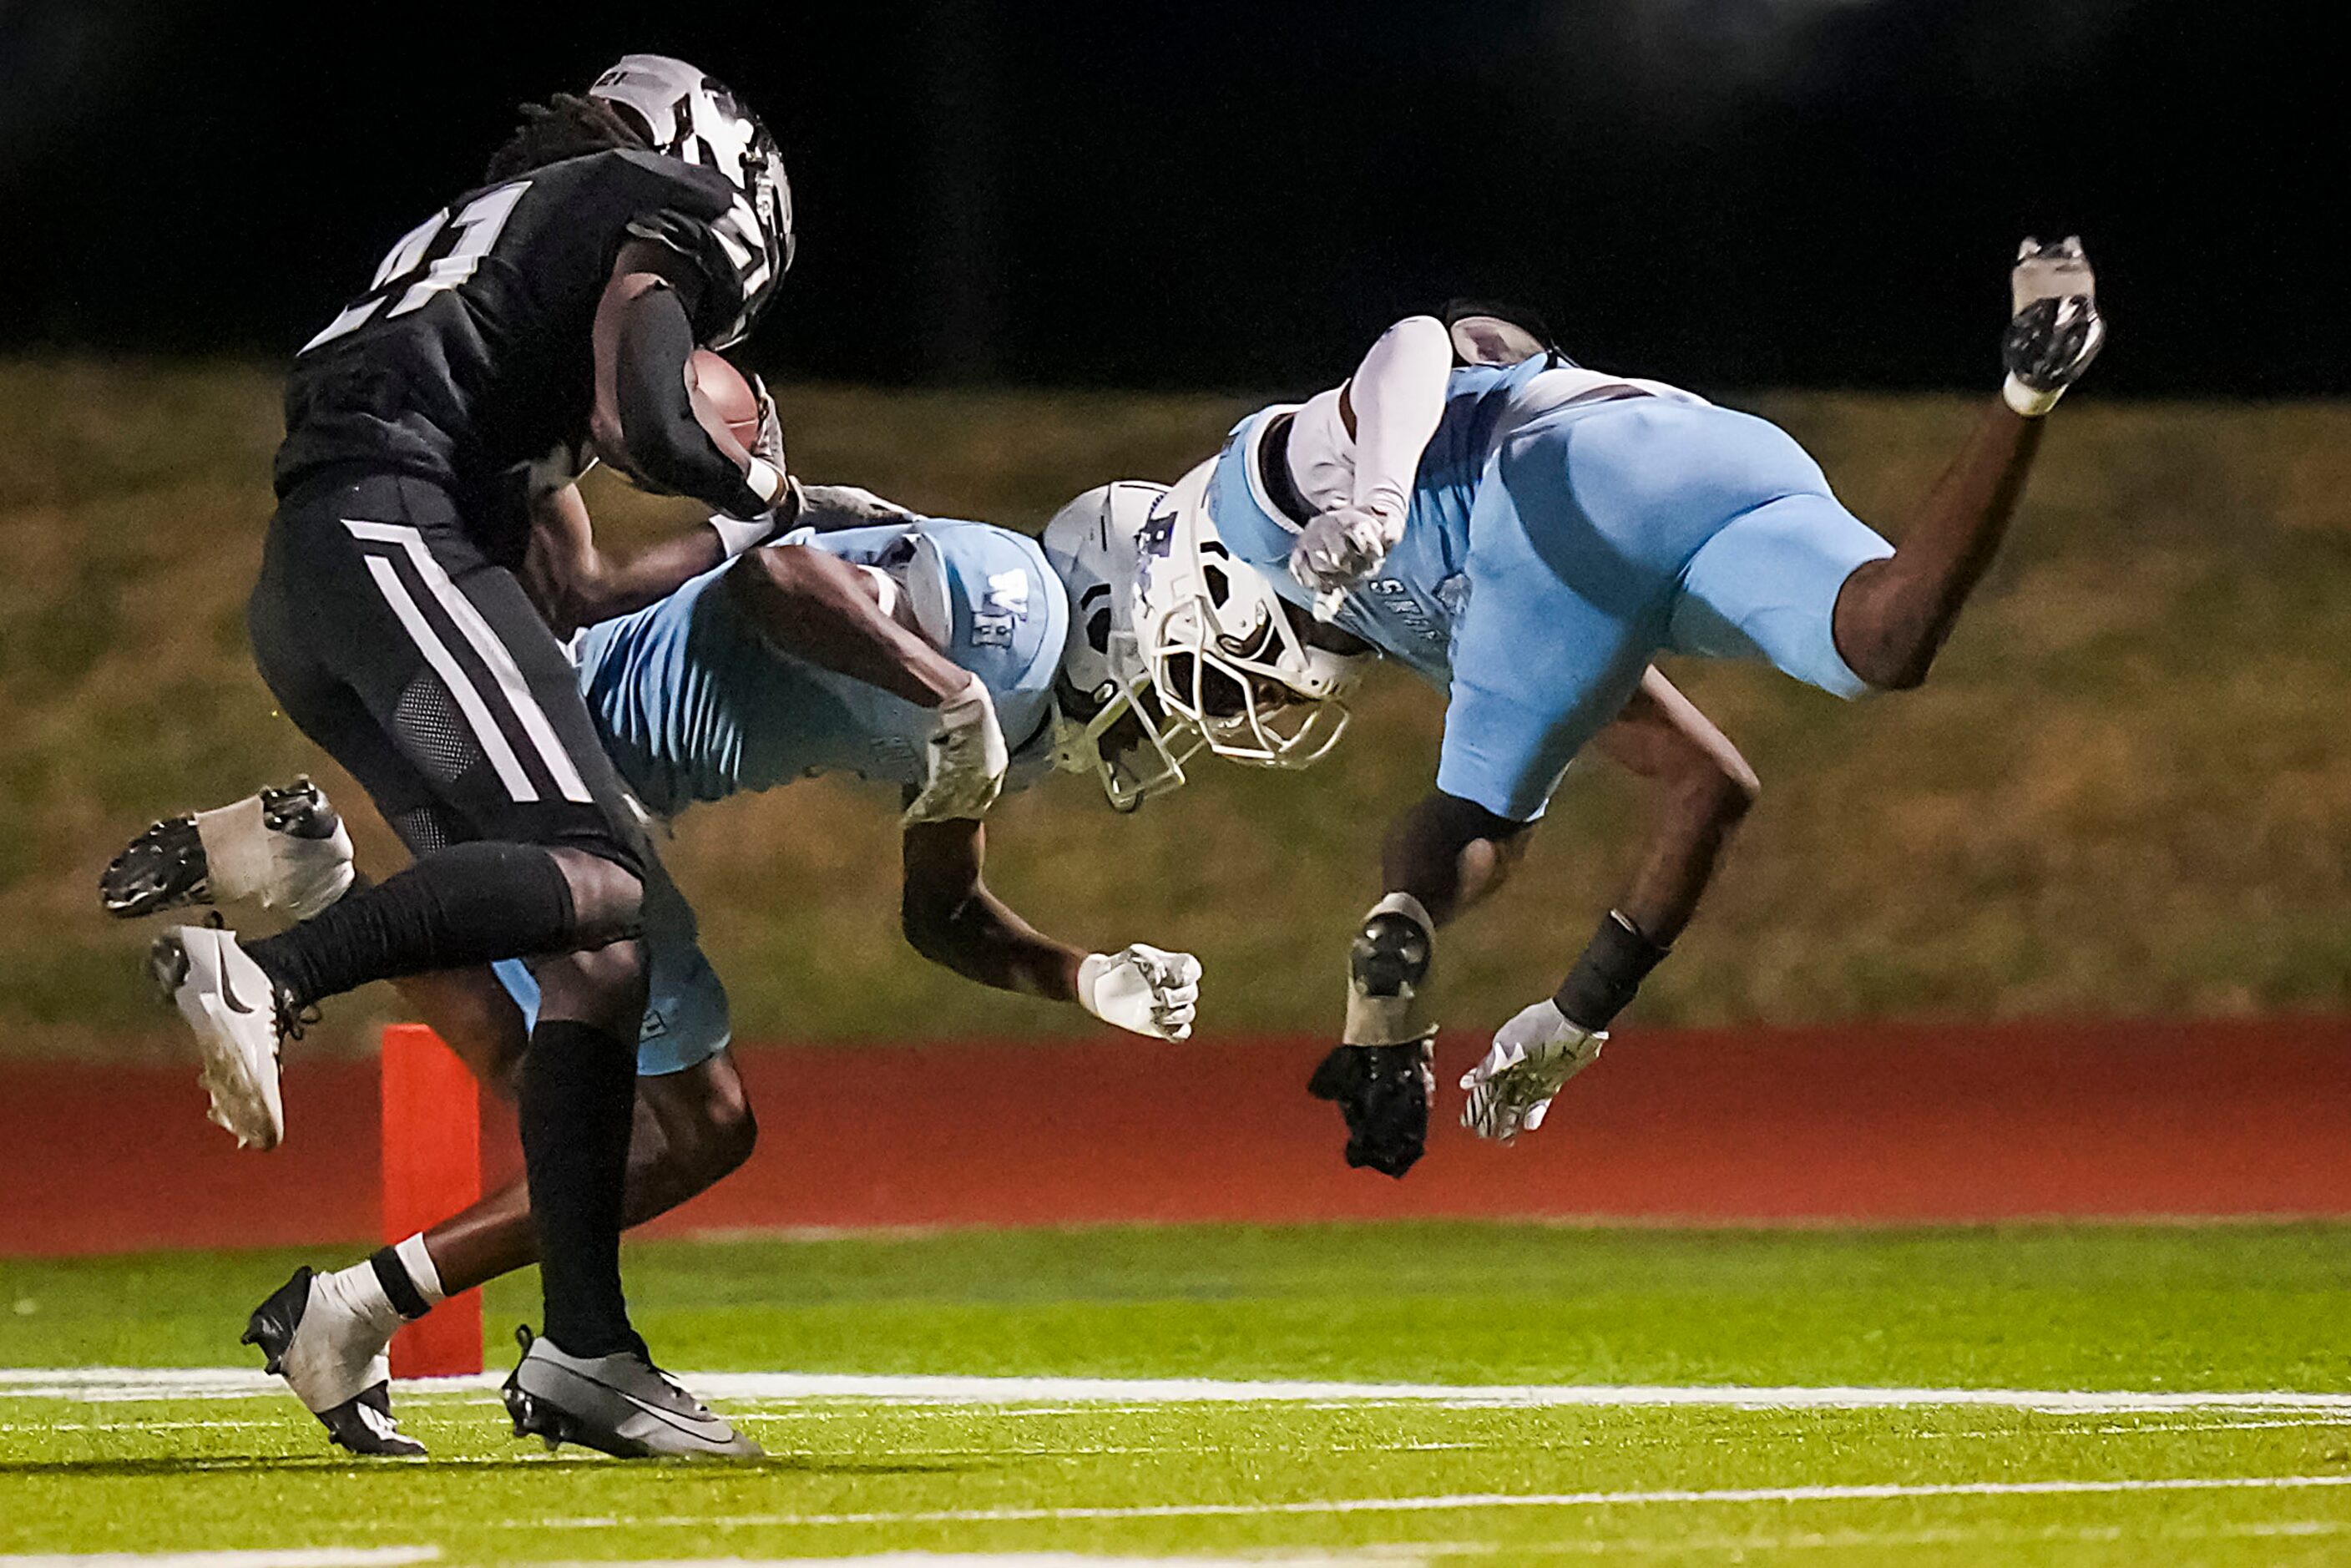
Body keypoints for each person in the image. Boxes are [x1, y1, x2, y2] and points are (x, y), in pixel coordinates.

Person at [144, 56, 1006, 1458]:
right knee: (594, 875)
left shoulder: (499, 262)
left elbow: (566, 594)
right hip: (386, 525)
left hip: (329, 566)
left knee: (593, 950)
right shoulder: (641, 209)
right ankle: (278, 965)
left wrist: (757, 530)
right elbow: (654, 421)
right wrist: (766, 485)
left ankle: (588, 1353)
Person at [104, 483, 1205, 1456]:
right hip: (567, 759)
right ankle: (364, 1285)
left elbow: (945, 913)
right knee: (675, 1128)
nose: (1183, 700)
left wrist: (1085, 976)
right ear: (1117, 606)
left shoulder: (1008, 697)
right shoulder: (1014, 615)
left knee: (561, 1102)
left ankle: (346, 1288)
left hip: (568, 752)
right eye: (1186, 657)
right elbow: (780, 575)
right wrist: (947, 691)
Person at [1141, 240, 2105, 1174]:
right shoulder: (1469, 628)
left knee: (1479, 818)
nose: (1249, 695)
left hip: (1552, 477)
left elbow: (1415, 340)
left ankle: (1385, 1012)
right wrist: (1575, 1017)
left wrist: (1378, 503)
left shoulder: (1244, 511)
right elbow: (1709, 785)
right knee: (1879, 642)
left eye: (1221, 678)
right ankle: (2029, 388)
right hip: (1707, 453)